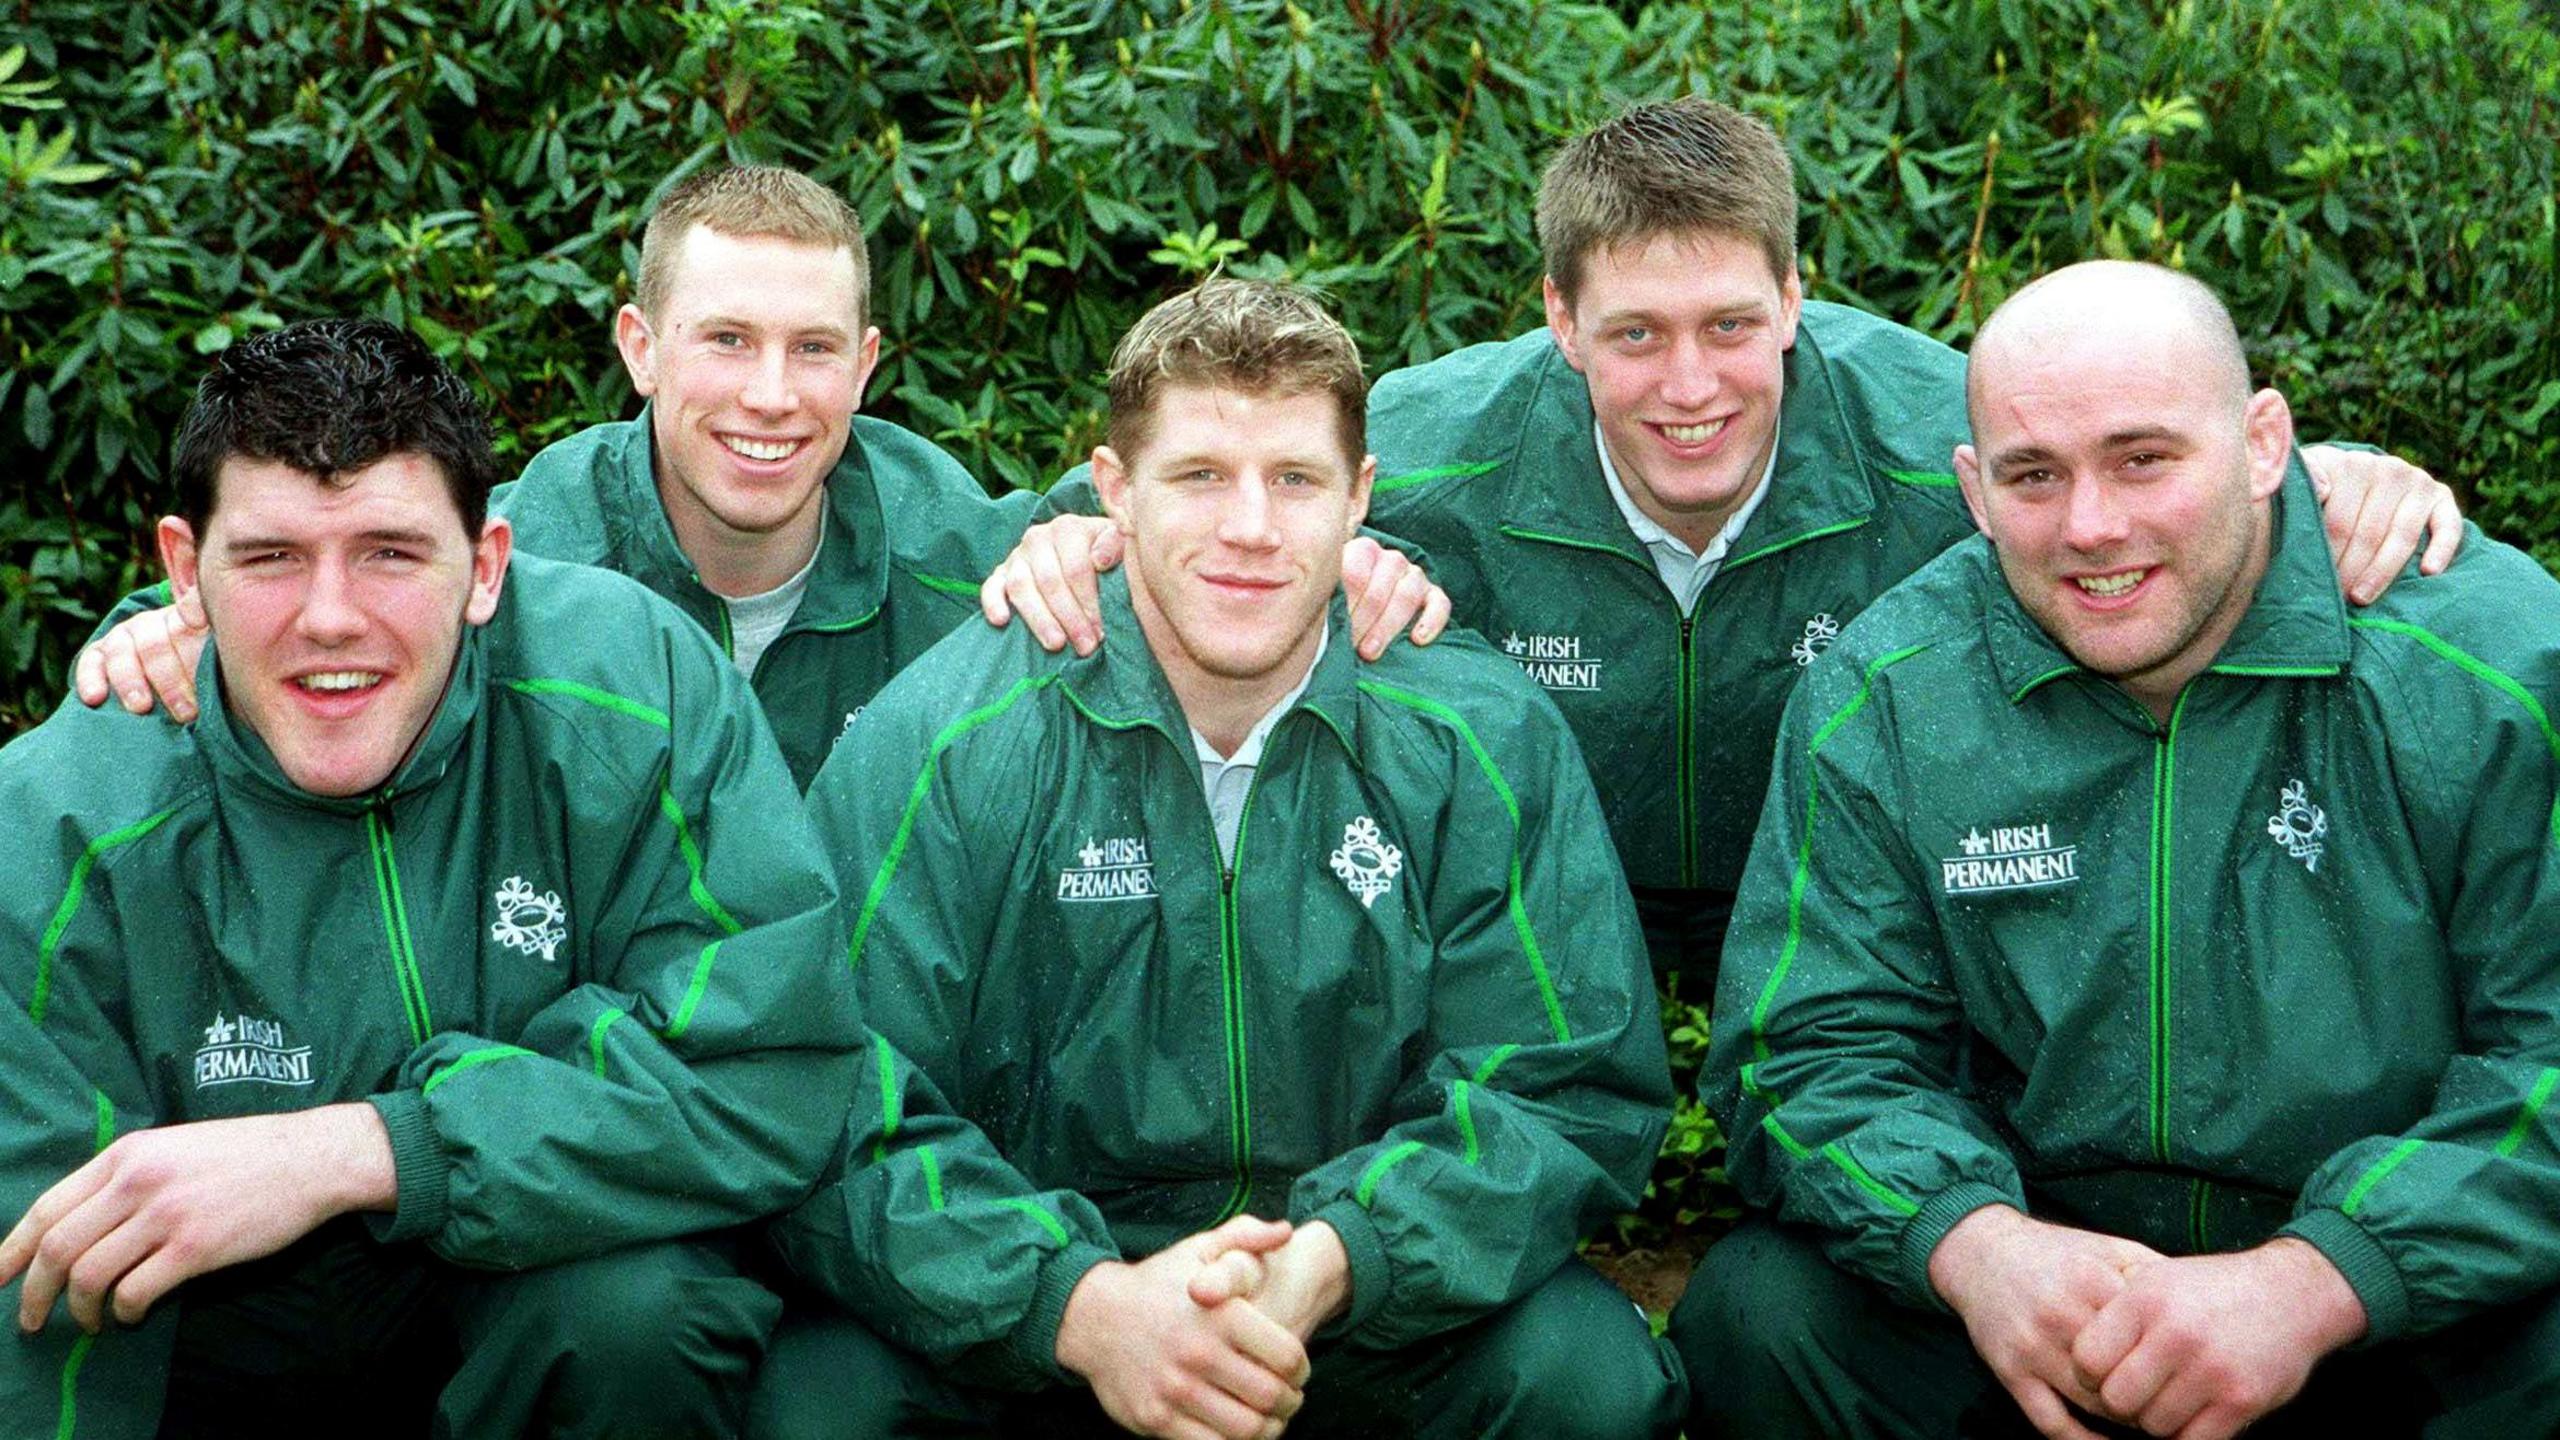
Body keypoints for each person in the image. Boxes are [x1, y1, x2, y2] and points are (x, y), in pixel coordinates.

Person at [991, 97, 2462, 978]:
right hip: (1555, 926)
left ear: (1798, 297)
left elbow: (2130, 449)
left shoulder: (1931, 431)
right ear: (1559, 320)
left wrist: (2317, 471)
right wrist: (1068, 548)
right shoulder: (1438, 441)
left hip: (1850, 919)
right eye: (1633, 333)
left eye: (1731, 328)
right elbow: (1156, 485)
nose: (1688, 386)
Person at [754, 279, 1682, 1440]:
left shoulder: (1477, 735)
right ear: (1112, 493)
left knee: (1582, 1376)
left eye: (1294, 479)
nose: (1249, 525)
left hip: (1356, 1308)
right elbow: (839, 1103)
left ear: (1360, 500)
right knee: (818, 1399)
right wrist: (1089, 1309)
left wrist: (1327, 1266)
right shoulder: (953, 737)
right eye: (1198, 475)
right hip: (1048, 1321)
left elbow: (1563, 1088)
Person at [1673, 261, 2560, 1440]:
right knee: (1761, 1316)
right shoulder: (1887, 696)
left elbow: (2544, 1053)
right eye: (2033, 475)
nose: (2091, 525)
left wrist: (2318, 1280)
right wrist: (1974, 1249)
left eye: (2143, 457)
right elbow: (1810, 1052)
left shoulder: (2493, 673)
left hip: (2396, 1298)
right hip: (2046, 1300)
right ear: (1974, 493)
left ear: (2261, 444)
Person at [0, 319, 860, 1437]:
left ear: (486, 566)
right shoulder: (58, 822)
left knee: (640, 1311)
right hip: (219, 1367)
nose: (330, 618)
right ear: (182, 571)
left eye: (391, 553)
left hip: (521, 1299)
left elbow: (773, 1066)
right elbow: (34, 1304)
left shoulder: (633, 690)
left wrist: (372, 1147)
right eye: (269, 558)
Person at [74, 167, 1444, 788]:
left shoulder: (956, 541)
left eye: (812, 348)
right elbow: (322, 589)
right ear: (641, 347)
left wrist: (1343, 565)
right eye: (726, 340)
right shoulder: (530, 539)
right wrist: (151, 635)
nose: (772, 395)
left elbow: (1182, 537)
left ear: (868, 364)